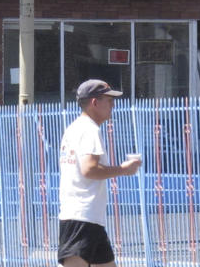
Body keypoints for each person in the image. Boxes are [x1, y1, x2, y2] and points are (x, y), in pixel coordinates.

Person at [58, 79, 141, 267]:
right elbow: (89, 169)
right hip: (82, 217)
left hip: (89, 218)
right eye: (109, 100)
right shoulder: (89, 130)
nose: (113, 105)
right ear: (95, 102)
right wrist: (123, 170)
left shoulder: (75, 128)